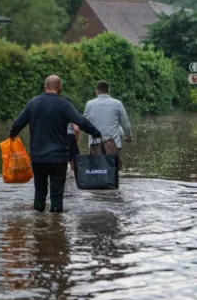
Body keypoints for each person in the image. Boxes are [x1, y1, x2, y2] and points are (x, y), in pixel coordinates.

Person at [9, 75, 101, 213]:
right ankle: (57, 227)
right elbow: (81, 122)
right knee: (57, 196)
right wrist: (95, 132)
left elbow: (16, 124)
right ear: (59, 88)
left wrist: (12, 135)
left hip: (38, 157)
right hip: (59, 158)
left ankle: (39, 227)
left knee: (39, 193)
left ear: (45, 86)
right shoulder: (64, 104)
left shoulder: (33, 103)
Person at [84, 81, 132, 167]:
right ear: (109, 91)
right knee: (113, 170)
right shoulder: (117, 103)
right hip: (113, 143)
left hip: (95, 143)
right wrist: (128, 137)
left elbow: (85, 123)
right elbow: (125, 123)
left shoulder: (89, 104)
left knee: (97, 170)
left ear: (96, 91)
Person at [63, 97, 80, 172]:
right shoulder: (72, 112)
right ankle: (73, 172)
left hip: (60, 137)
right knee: (73, 159)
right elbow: (76, 128)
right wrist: (76, 139)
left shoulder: (58, 111)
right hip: (70, 137)